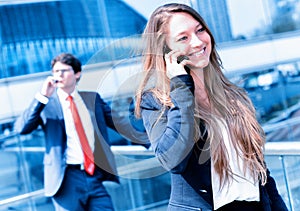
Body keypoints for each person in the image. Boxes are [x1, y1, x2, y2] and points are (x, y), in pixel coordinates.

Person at [135, 3, 288, 211]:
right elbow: (173, 160)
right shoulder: (155, 102)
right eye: (183, 38)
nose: (198, 42)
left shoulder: (234, 95)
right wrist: (181, 88)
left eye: (200, 30)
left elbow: (260, 171)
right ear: (165, 50)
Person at [14, 53, 148, 211]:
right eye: (55, 71)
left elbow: (120, 124)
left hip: (94, 175)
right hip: (66, 179)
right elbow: (21, 128)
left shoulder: (92, 99)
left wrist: (150, 142)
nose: (58, 75)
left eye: (64, 70)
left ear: (77, 73)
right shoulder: (47, 106)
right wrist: (43, 96)